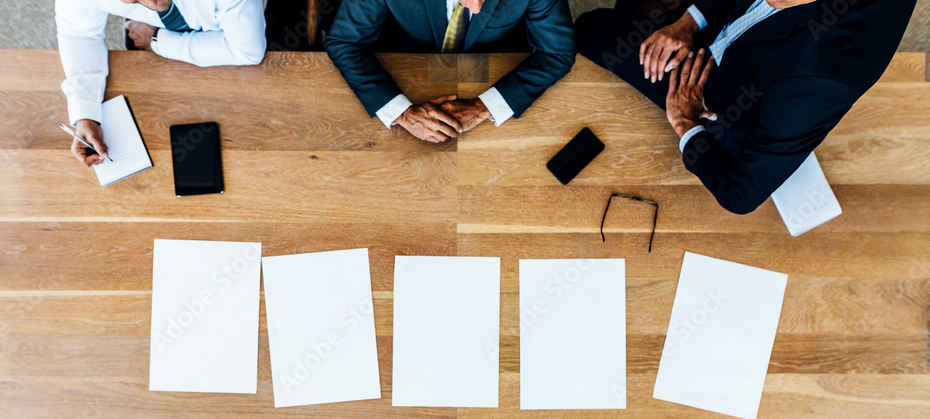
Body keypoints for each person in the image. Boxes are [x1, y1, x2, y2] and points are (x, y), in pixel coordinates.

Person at [573, 0, 917, 214]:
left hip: (721, 93)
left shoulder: (813, 81)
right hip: (723, 22)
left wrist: (686, 122)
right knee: (594, 26)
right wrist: (687, 23)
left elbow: (740, 195)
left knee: (594, 32)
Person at [326, 0, 575, 144]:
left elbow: (557, 53)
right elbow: (345, 42)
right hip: (403, 60)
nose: (477, 7)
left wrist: (484, 106)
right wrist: (401, 112)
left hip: (495, 65)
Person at [56, 0, 266, 167]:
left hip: (230, 31)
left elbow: (247, 51)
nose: (151, 3)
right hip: (147, 34)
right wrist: (85, 113)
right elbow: (78, 33)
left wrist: (157, 40)